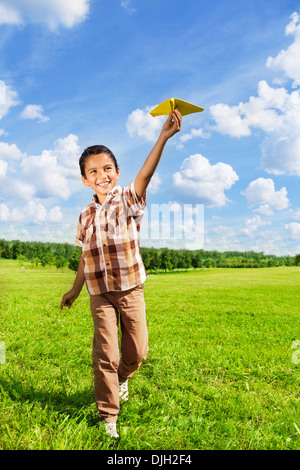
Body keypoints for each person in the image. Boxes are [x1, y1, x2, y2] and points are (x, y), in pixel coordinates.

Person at [60, 109, 182, 438]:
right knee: (105, 352)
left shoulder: (127, 200)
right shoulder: (85, 215)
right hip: (99, 293)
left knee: (137, 351)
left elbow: (145, 176)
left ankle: (123, 377)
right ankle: (108, 415)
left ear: (116, 172)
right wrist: (73, 290)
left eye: (107, 168)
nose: (102, 175)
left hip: (130, 290)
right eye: (93, 171)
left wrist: (162, 138)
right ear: (85, 179)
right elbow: (86, 257)